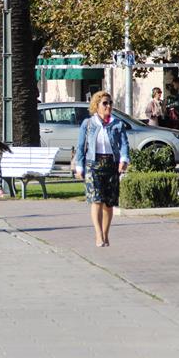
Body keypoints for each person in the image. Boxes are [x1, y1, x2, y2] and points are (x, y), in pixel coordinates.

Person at [73, 91, 129, 247]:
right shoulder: (88, 123)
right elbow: (80, 146)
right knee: (96, 200)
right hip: (93, 164)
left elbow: (124, 144)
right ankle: (98, 235)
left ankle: (105, 234)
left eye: (110, 103)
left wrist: (123, 159)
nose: (108, 106)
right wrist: (79, 167)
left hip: (111, 164)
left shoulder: (117, 124)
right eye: (105, 103)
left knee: (109, 203)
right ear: (96, 105)